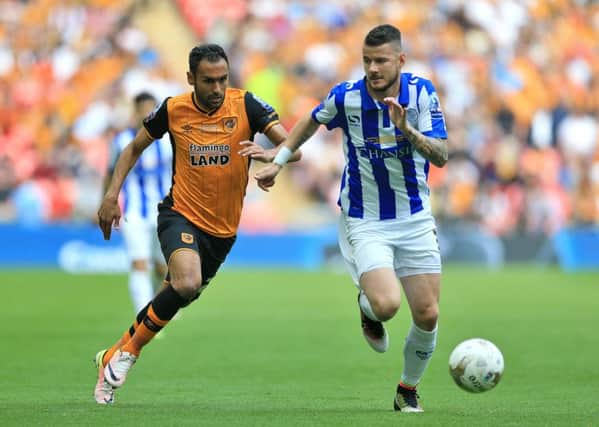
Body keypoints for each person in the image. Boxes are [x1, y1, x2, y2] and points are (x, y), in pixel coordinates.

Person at [255, 24, 448, 413]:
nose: (373, 68)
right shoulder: (347, 97)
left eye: (381, 61)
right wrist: (279, 160)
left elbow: (441, 155)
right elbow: (312, 120)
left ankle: (406, 389)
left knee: (427, 313)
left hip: (413, 216)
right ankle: (367, 308)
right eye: (366, 60)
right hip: (365, 217)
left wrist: (406, 129)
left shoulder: (421, 93)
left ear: (400, 61)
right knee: (388, 305)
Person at [94, 43, 301, 405]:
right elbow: (132, 149)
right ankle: (129, 356)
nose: (217, 88)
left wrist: (271, 156)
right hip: (179, 213)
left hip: (223, 232)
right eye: (208, 81)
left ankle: (115, 352)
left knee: (174, 297)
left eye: (222, 79)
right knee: (186, 283)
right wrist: (112, 196)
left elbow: (294, 146)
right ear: (191, 78)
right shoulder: (174, 109)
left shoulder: (247, 105)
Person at [104, 92, 171, 314]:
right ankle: (145, 317)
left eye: (152, 110)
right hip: (133, 212)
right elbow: (110, 172)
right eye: (143, 110)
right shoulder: (122, 141)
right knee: (139, 263)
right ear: (136, 111)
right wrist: (105, 202)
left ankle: (162, 305)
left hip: (165, 212)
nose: (147, 114)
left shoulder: (169, 141)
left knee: (163, 267)